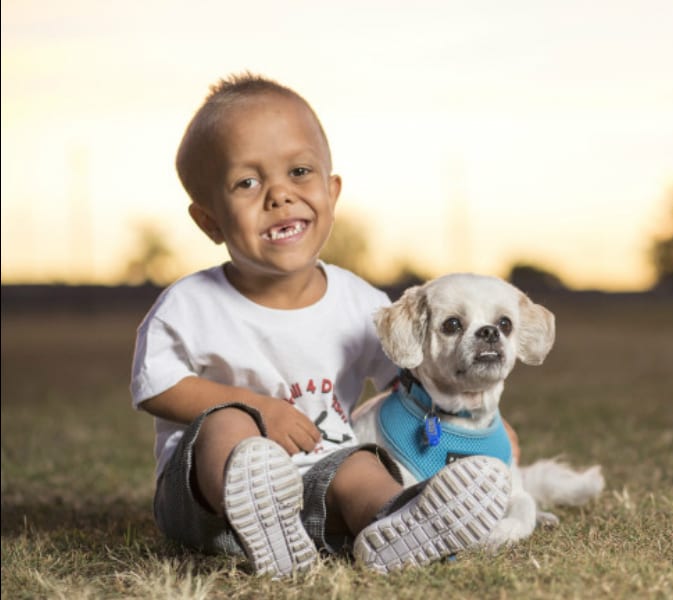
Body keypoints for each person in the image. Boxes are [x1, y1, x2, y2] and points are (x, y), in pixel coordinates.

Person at [130, 73, 512, 577]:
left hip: (317, 478)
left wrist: (485, 427)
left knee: (359, 466)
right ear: (210, 222)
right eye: (247, 182)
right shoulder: (191, 303)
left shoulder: (358, 302)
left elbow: (413, 381)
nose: (279, 195)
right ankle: (260, 516)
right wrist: (259, 409)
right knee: (229, 425)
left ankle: (397, 523)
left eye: (300, 171)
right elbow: (157, 387)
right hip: (205, 499)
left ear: (331, 192)